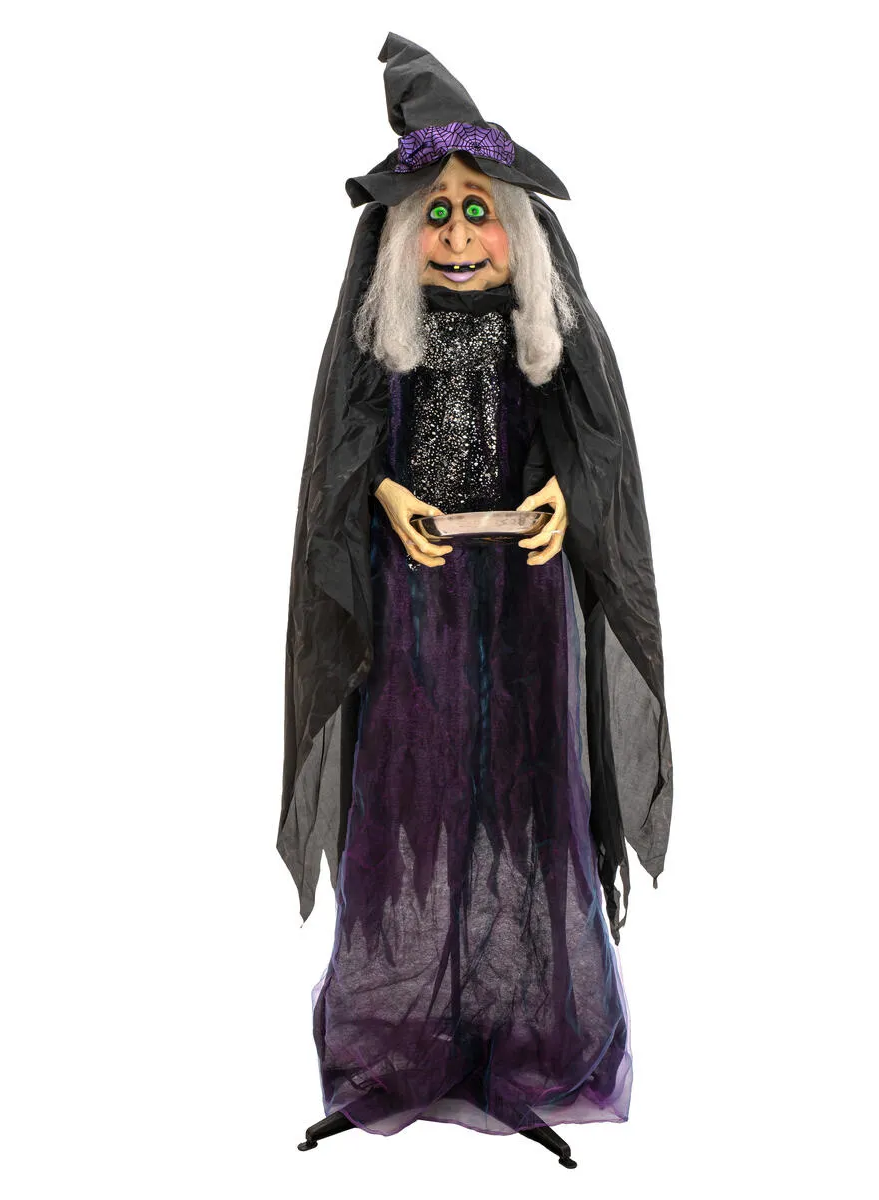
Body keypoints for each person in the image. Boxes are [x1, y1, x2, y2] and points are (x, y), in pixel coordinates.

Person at [280, 34, 674, 1158]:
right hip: (413, 604)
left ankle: (528, 1041)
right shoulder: (386, 341)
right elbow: (348, 454)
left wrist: (562, 496)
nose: (458, 236)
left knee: (524, 799)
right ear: (404, 232)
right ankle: (400, 1043)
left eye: (479, 213)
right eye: (438, 215)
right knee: (411, 800)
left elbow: (590, 448)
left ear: (517, 231)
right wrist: (389, 493)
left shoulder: (538, 334)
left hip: (525, 602)